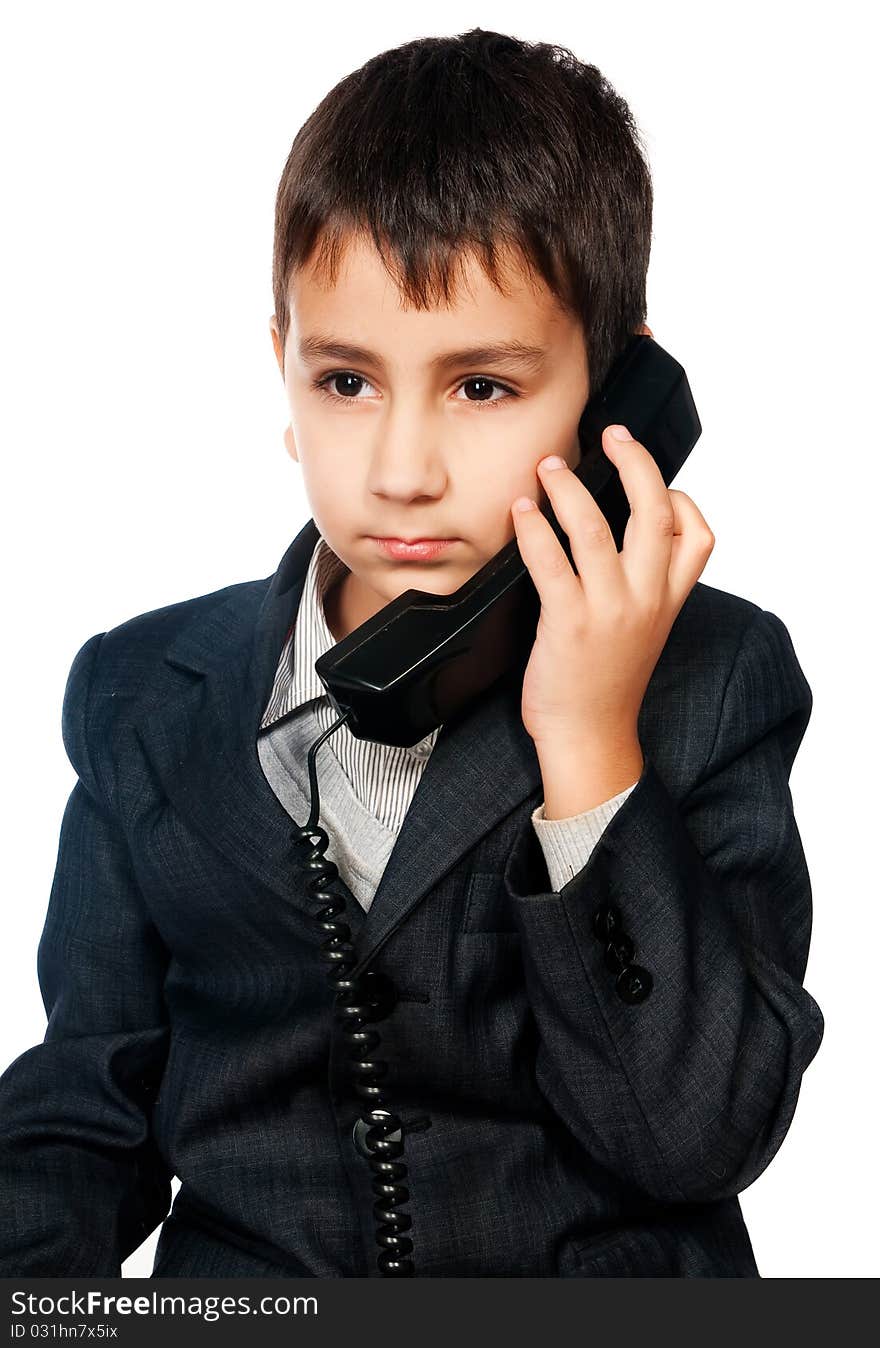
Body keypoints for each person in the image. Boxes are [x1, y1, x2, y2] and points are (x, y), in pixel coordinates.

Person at [0, 27, 824, 1278]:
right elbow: (80, 1112)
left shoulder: (716, 680)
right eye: (345, 381)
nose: (400, 469)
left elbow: (696, 1135)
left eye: (480, 387)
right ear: (279, 368)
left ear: (616, 400)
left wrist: (591, 748)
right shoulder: (143, 695)